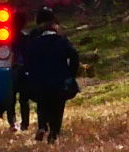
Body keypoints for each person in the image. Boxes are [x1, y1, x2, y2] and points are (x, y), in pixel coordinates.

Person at [16, 7, 81, 143]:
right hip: (59, 80)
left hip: (40, 81)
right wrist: (70, 73)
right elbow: (74, 56)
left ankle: (42, 126)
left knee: (42, 105)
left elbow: (28, 61)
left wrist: (31, 75)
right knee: (58, 107)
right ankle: (54, 133)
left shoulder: (34, 43)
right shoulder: (62, 41)